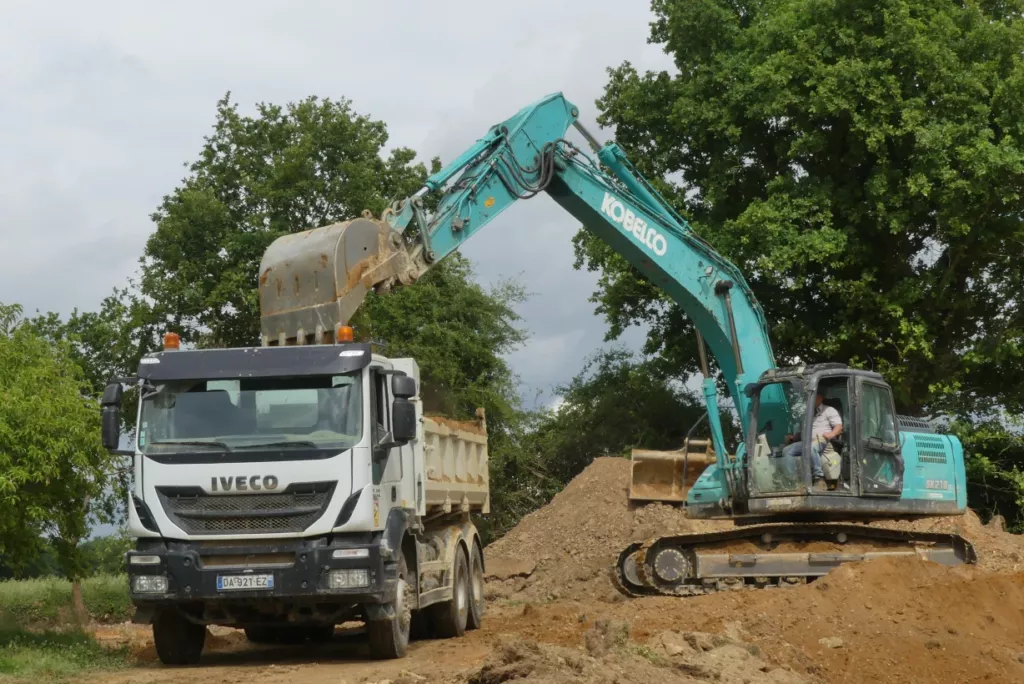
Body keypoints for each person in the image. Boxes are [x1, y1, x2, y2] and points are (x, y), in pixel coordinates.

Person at [782, 391, 843, 489]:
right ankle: (793, 479)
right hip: (806, 442)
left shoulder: (828, 410)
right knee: (787, 451)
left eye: (814, 396)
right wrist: (793, 437)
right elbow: (802, 431)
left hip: (823, 440)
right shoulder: (806, 414)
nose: (811, 399)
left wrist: (831, 434)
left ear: (820, 398)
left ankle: (819, 478)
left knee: (811, 447)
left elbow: (838, 426)